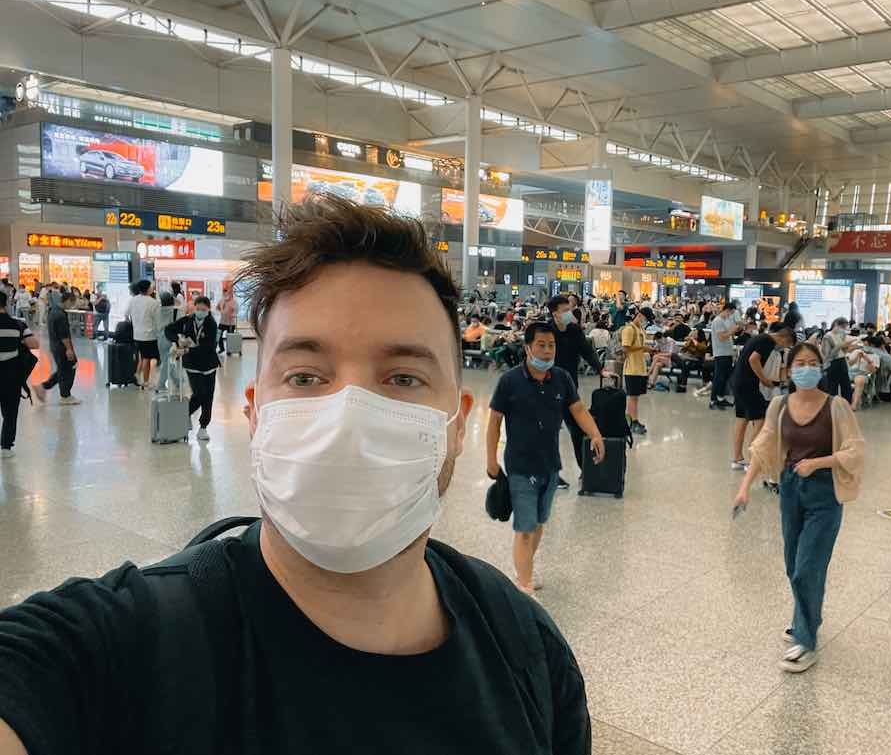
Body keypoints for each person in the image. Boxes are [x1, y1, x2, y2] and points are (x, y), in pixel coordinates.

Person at [0, 194, 592, 754]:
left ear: (457, 424)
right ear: (256, 413)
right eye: (307, 377)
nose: (347, 419)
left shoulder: (527, 650)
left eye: (403, 378)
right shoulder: (122, 649)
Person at [732, 341, 865, 673]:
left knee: (809, 567)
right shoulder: (779, 404)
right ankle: (808, 617)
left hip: (825, 493)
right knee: (794, 565)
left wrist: (819, 462)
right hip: (790, 489)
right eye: (799, 363)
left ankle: (805, 642)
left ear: (821, 368)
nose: (806, 368)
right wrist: (744, 487)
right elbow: (763, 446)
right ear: (789, 371)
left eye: (812, 362)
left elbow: (855, 450)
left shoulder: (836, 407)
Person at [487, 321, 605, 596]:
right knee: (525, 528)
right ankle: (524, 586)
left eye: (551, 345)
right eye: (541, 345)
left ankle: (523, 569)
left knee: (539, 524)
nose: (547, 351)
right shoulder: (510, 381)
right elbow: (494, 422)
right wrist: (490, 459)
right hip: (519, 465)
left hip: (550, 465)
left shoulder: (561, 378)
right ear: (528, 347)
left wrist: (596, 435)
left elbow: (578, 410)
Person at [546, 295, 608, 489]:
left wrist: (600, 368)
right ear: (555, 313)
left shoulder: (574, 330)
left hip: (570, 387)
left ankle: (586, 469)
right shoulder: (546, 331)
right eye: (564, 310)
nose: (569, 313)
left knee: (577, 429)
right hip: (547, 387)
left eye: (569, 309)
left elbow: (587, 351)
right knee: (549, 431)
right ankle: (550, 475)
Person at [731, 323, 795, 470]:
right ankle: (752, 461)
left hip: (737, 381)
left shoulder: (759, 338)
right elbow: (753, 359)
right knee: (761, 419)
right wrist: (764, 379)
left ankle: (737, 458)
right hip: (748, 384)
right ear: (783, 338)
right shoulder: (768, 341)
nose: (784, 347)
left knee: (742, 420)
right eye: (787, 344)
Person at [164, 296, 220, 442]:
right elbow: (168, 329)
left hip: (209, 365)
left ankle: (203, 428)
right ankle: (183, 417)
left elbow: (208, 347)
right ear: (194, 308)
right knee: (199, 393)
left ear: (208, 309)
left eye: (204, 309)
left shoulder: (212, 324)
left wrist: (187, 351)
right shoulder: (187, 320)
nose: (200, 312)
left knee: (208, 397)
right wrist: (177, 340)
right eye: (198, 309)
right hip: (193, 365)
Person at [0, 290, 39, 457]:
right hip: (10, 376)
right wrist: (20, 340)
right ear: (6, 304)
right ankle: (6, 447)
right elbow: (34, 344)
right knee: (10, 411)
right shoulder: (18, 324)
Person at [32, 289, 80, 406]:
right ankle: (65, 396)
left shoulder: (53, 311)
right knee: (69, 369)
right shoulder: (60, 315)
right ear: (68, 300)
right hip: (62, 347)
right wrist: (69, 349)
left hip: (55, 346)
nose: (73, 306)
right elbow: (64, 335)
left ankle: (43, 387)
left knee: (63, 370)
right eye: (72, 303)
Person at [621, 306, 655, 435]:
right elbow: (625, 348)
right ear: (639, 315)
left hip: (640, 368)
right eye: (645, 318)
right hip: (631, 368)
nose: (645, 321)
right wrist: (642, 348)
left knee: (635, 397)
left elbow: (638, 347)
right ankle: (633, 422)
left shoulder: (640, 329)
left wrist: (647, 349)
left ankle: (632, 421)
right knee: (632, 397)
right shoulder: (629, 329)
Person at [126, 280, 160, 388]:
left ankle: (138, 375)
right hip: (149, 335)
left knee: (142, 356)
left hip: (137, 335)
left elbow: (126, 315)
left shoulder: (133, 300)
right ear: (148, 289)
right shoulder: (153, 302)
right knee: (147, 358)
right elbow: (157, 319)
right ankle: (145, 382)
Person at [708, 302, 737, 410]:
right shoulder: (718, 321)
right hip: (721, 353)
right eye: (731, 312)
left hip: (727, 353)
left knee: (724, 378)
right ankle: (713, 400)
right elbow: (722, 337)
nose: (731, 315)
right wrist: (732, 331)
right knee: (718, 378)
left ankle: (720, 398)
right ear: (727, 310)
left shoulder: (725, 321)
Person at [819, 318, 855, 403]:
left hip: (842, 361)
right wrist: (840, 346)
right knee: (832, 387)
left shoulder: (841, 335)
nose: (843, 329)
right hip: (832, 363)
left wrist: (848, 346)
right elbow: (827, 355)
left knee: (846, 386)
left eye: (845, 327)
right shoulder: (827, 337)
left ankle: (847, 404)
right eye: (842, 327)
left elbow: (843, 351)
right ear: (836, 324)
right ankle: (832, 406)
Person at [153, 292, 179, 393]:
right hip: (171, 339)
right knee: (168, 362)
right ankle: (160, 384)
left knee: (167, 361)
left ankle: (177, 382)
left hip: (160, 339)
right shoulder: (176, 311)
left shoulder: (157, 310)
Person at [215, 286, 238, 355]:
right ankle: (222, 348)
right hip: (222, 322)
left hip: (230, 323)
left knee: (230, 337)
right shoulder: (221, 300)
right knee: (218, 336)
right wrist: (220, 310)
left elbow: (236, 311)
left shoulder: (234, 302)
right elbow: (217, 307)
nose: (225, 294)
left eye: (227, 293)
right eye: (224, 293)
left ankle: (229, 350)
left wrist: (233, 314)